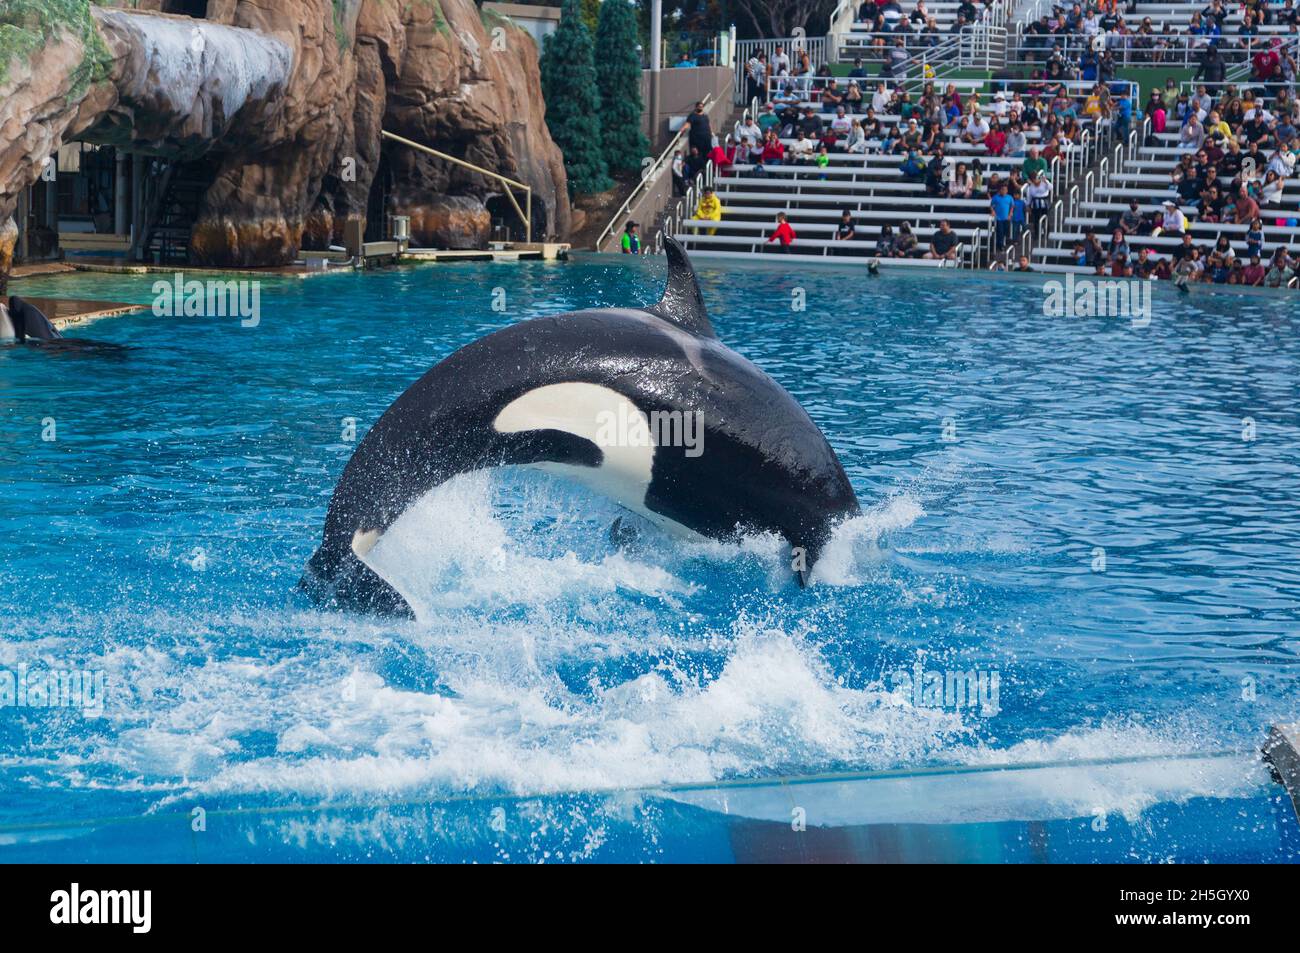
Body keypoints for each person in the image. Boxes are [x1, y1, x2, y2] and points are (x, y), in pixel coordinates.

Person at [990, 182, 1013, 249]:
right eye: (1002, 189)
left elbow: (1012, 206)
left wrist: (1010, 214)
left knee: (1005, 231)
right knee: (1000, 231)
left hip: (1006, 218)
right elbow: (992, 206)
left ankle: (1003, 242)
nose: (1004, 191)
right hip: (998, 218)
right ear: (1000, 190)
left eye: (1005, 189)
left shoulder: (1009, 197)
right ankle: (1000, 245)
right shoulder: (995, 197)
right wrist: (993, 211)